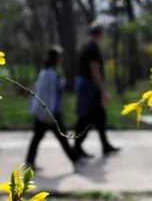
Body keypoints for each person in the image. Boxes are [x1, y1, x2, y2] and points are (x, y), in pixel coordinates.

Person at [26, 45, 85, 172]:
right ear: (56, 59)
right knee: (60, 138)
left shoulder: (48, 72)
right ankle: (75, 160)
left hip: (47, 111)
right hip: (50, 112)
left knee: (39, 137)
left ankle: (30, 161)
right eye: (60, 58)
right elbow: (48, 95)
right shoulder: (50, 74)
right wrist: (49, 114)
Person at [74, 22, 120, 158]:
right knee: (86, 118)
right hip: (90, 86)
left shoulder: (87, 46)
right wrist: (103, 91)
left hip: (86, 85)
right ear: (99, 33)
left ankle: (105, 145)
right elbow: (95, 70)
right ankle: (77, 146)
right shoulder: (92, 48)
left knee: (99, 116)